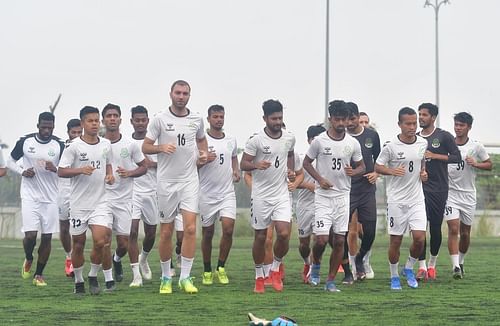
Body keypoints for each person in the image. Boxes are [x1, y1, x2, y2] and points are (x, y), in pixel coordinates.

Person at [143, 80, 208, 294]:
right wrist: (161, 147)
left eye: (185, 93)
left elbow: (201, 141)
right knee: (166, 231)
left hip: (189, 180)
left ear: (190, 95)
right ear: (170, 94)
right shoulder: (160, 119)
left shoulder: (196, 119)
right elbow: (146, 146)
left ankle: (185, 278)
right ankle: (165, 278)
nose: (181, 96)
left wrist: (204, 154)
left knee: (190, 229)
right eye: (178, 93)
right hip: (166, 182)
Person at [303, 100, 365, 292]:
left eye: (343, 120)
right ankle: (316, 266)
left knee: (339, 241)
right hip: (323, 196)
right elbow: (306, 163)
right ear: (330, 120)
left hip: (343, 197)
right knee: (321, 240)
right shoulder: (320, 141)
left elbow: (362, 166)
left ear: (347, 120)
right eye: (337, 119)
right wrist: (320, 180)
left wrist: (355, 172)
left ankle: (330, 281)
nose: (340, 123)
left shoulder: (352, 143)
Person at [240, 99, 296, 294]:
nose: (278, 121)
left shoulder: (289, 137)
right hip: (261, 195)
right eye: (274, 118)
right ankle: (258, 277)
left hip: (281, 193)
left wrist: (290, 170)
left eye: (280, 118)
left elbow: (290, 154)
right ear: (265, 119)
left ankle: (274, 269)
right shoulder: (255, 141)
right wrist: (256, 165)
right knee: (261, 237)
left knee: (283, 233)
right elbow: (243, 164)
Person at [58, 106, 115, 294]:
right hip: (79, 204)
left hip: (101, 202)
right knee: (79, 244)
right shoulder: (73, 146)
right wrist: (80, 170)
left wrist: (110, 176)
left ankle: (93, 274)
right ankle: (79, 281)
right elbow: (61, 171)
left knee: (101, 241)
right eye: (90, 121)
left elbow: (108, 165)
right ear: (82, 123)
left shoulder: (106, 144)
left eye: (97, 121)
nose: (95, 124)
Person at [7, 112, 64, 287]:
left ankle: (39, 275)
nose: (46, 130)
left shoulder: (60, 145)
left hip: (51, 198)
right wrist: (22, 171)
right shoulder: (26, 141)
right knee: (30, 236)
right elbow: (9, 161)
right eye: (43, 126)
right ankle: (29, 257)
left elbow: (67, 169)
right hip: (30, 195)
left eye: (50, 127)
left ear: (54, 126)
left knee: (46, 238)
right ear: (38, 125)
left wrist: (55, 168)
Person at [375, 107, 429, 290]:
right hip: (397, 201)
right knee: (396, 241)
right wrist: (391, 171)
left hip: (417, 199)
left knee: (420, 239)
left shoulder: (422, 143)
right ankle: (394, 275)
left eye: (414, 123)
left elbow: (421, 163)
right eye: (408, 123)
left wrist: (423, 173)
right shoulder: (390, 146)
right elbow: (377, 167)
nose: (412, 126)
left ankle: (408, 268)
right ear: (399, 124)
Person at [102, 103, 147, 287]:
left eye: (115, 115)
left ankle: (117, 260)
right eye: (109, 115)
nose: (112, 118)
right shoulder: (97, 144)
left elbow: (144, 166)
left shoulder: (130, 145)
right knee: (103, 239)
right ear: (103, 120)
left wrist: (129, 173)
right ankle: (112, 278)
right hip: (102, 200)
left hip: (124, 199)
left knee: (124, 243)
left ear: (120, 119)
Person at [444, 112, 492, 278]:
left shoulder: (476, 146)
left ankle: (462, 261)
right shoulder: (447, 143)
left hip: (468, 196)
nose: (458, 128)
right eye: (456, 124)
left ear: (469, 127)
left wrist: (476, 163)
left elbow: (489, 164)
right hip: (450, 194)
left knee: (465, 233)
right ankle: (455, 267)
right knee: (453, 228)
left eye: (461, 125)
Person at [416, 103, 461, 281]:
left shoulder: (443, 136)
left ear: (433, 118)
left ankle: (432, 264)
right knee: (419, 229)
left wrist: (435, 156)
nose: (421, 118)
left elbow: (457, 157)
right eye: (419, 114)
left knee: (435, 228)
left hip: (439, 189)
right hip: (419, 189)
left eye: (424, 115)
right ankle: (422, 266)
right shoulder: (416, 138)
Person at [198, 104, 240, 285]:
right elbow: (192, 165)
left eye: (221, 116)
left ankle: (221, 267)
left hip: (227, 193)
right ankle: (207, 270)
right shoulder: (201, 140)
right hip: (206, 194)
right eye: (215, 117)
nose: (219, 120)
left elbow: (233, 158)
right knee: (208, 233)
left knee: (229, 229)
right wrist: (204, 159)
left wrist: (236, 171)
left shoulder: (231, 139)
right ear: (208, 119)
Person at [342, 103, 381, 284]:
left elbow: (380, 160)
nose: (349, 122)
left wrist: (376, 173)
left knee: (370, 231)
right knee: (341, 232)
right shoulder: (340, 137)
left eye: (352, 118)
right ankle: (347, 270)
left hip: (366, 189)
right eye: (346, 119)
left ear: (358, 117)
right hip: (346, 190)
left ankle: (360, 257)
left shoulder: (371, 136)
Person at [128, 105, 160, 284]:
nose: (140, 123)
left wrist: (150, 164)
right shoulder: (127, 143)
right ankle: (136, 276)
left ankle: (144, 258)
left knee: (150, 234)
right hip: (132, 192)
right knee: (131, 231)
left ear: (148, 121)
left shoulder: (153, 143)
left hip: (152, 192)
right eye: (137, 120)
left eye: (143, 120)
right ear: (131, 121)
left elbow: (164, 165)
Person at [295, 124, 325, 283]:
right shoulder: (301, 159)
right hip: (304, 206)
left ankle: (315, 269)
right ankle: (307, 263)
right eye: (315, 139)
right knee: (304, 244)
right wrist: (309, 185)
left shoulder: (328, 159)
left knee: (320, 239)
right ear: (308, 141)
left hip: (322, 206)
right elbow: (291, 182)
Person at [57, 118, 82, 278]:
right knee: (65, 228)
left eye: (80, 132)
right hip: (63, 192)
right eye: (74, 132)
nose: (77, 135)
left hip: (80, 193)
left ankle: (76, 261)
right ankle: (68, 257)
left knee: (78, 229)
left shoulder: (86, 146)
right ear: (68, 133)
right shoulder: (60, 147)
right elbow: (54, 167)